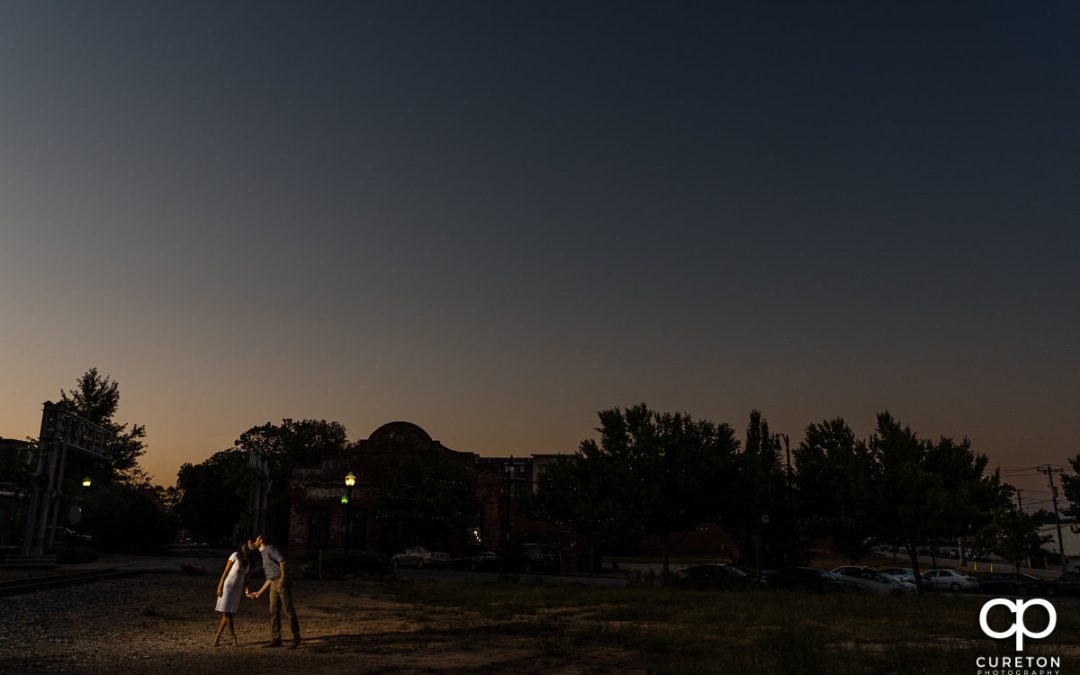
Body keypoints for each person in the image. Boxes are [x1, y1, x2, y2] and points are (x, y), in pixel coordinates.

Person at [246, 534, 302, 649]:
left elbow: (282, 561)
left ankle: (296, 637)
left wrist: (283, 578)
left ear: (261, 540)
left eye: (256, 540)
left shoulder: (270, 549)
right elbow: (269, 578)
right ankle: (276, 639)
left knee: (288, 609)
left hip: (280, 581)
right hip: (273, 583)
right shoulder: (263, 554)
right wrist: (259, 592)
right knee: (273, 611)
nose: (254, 542)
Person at [213, 544, 249, 646]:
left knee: (228, 613)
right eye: (249, 543)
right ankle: (234, 637)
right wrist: (220, 585)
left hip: (237, 589)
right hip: (228, 587)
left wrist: (247, 591)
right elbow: (225, 571)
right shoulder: (235, 555)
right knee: (228, 613)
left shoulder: (249, 562)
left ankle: (217, 637)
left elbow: (246, 579)